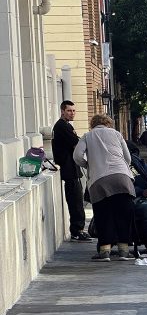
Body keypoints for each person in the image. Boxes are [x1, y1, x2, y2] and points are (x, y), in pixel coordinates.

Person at [73, 114, 135, 262]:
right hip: (122, 178)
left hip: (99, 180)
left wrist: (88, 165)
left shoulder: (87, 136)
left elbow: (77, 156)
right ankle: (124, 252)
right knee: (123, 215)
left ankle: (105, 252)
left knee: (103, 215)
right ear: (108, 124)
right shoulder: (117, 134)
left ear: (93, 124)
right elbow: (128, 158)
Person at [52, 100, 92, 241]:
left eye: (74, 111)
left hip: (72, 168)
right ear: (62, 111)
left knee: (77, 200)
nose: (72, 113)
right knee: (75, 201)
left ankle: (78, 229)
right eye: (69, 110)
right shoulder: (62, 126)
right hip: (69, 169)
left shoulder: (66, 125)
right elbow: (77, 144)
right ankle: (77, 230)